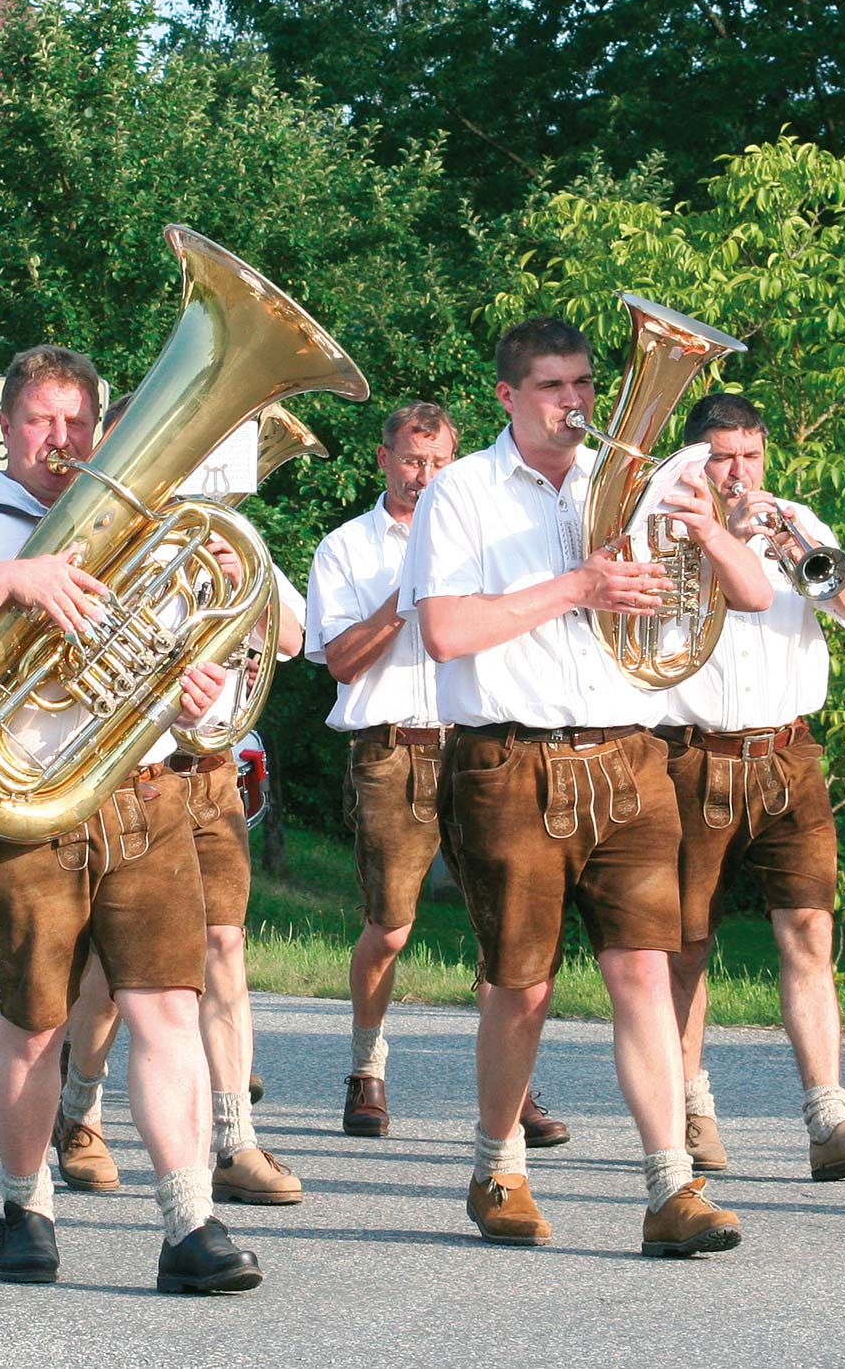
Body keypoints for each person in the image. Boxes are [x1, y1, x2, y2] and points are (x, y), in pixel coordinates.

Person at [0, 344, 262, 1293]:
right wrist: (10, 582)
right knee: (37, 1024)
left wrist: (199, 696)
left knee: (166, 1007)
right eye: (41, 420)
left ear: (103, 430)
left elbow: (210, 695)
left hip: (144, 792)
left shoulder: (159, 529)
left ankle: (188, 1225)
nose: (61, 440)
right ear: (4, 426)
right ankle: (25, 1204)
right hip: (23, 808)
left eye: (77, 423)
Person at [401, 316, 772, 1257]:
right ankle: (498, 1165)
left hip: (629, 755)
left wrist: (703, 531)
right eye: (555, 388)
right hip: (510, 762)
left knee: (644, 971)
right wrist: (578, 588)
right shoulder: (464, 495)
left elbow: (743, 599)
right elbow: (444, 631)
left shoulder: (641, 484)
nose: (577, 404)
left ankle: (670, 1189)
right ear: (509, 398)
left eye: (585, 386)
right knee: (519, 988)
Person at [50, 390, 309, 1208]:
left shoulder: (224, 529)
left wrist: (250, 577)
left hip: (210, 773)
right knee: (114, 973)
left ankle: (235, 1141)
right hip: (133, 769)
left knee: (223, 950)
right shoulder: (102, 533)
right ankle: (79, 1112)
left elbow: (296, 640)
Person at [654, 392, 845, 1181]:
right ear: (695, 458)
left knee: (809, 932)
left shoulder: (794, 520)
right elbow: (655, 631)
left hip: (790, 755)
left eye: (751, 458)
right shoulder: (661, 524)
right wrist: (720, 541)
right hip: (692, 756)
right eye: (724, 458)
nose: (739, 473)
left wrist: (800, 553)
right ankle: (691, 1110)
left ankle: (828, 1119)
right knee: (686, 948)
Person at [307, 400, 555, 1142]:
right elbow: (341, 663)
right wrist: (406, 593)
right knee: (389, 928)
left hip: (480, 744)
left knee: (502, 929)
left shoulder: (487, 536)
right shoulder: (345, 548)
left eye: (440, 462)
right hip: (391, 749)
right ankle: (367, 1066)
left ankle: (515, 1092)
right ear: (385, 459)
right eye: (413, 461)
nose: (425, 476)